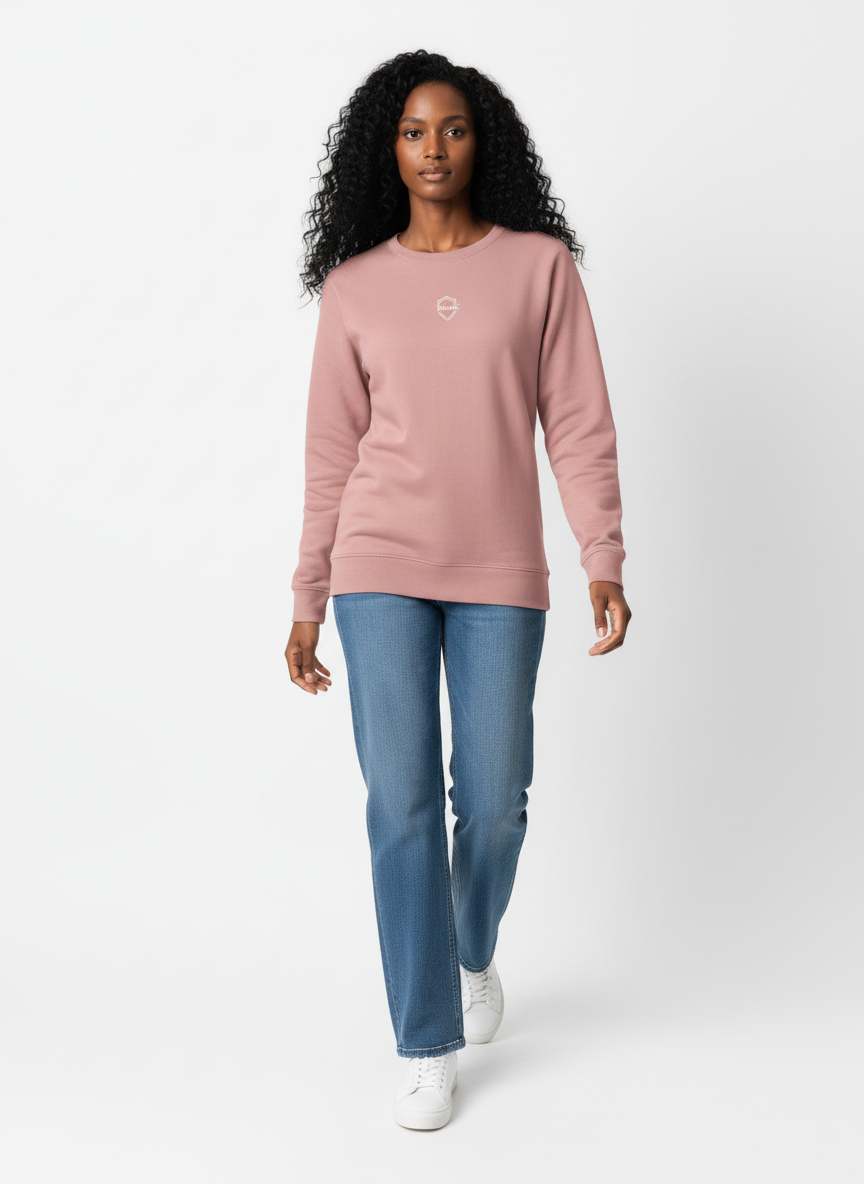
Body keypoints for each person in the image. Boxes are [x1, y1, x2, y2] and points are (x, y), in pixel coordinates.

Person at [284, 49, 632, 1130]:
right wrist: (307, 594)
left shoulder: (539, 269)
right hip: (377, 566)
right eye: (412, 132)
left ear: (485, 144)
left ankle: (469, 949)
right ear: (385, 150)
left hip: (498, 570)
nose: (433, 149)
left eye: (453, 129)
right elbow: (330, 454)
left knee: (492, 801)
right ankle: (426, 1039)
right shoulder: (354, 287)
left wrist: (603, 554)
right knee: (399, 805)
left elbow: (578, 422)